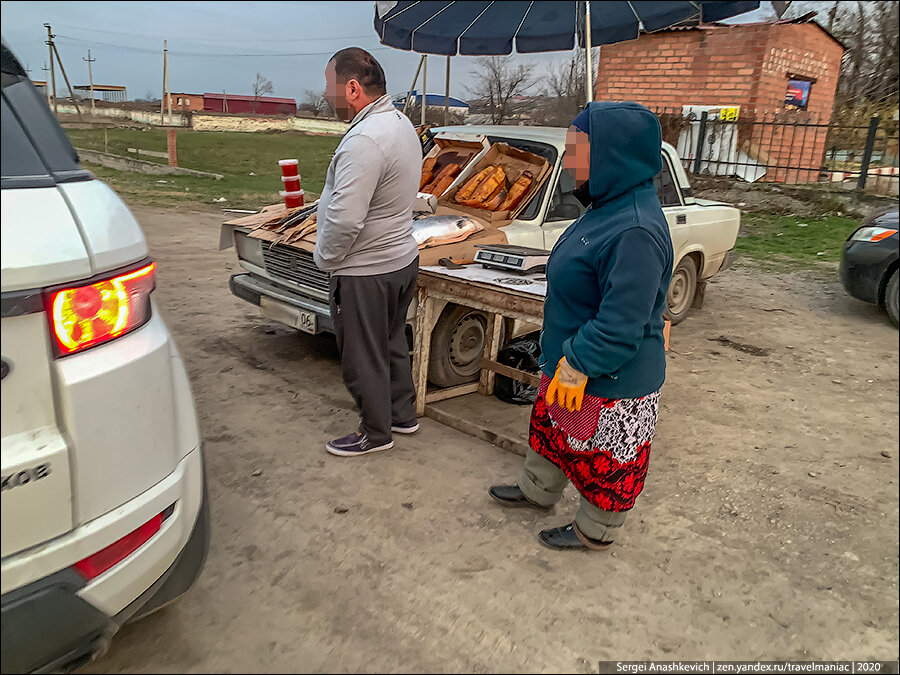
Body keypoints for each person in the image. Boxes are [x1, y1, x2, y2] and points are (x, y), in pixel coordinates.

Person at [489, 101, 674, 550]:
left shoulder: (635, 231)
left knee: (606, 459)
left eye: (577, 149)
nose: (569, 161)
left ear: (614, 155)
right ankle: (537, 491)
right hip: (571, 359)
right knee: (554, 431)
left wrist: (576, 364)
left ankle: (596, 530)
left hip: (608, 377)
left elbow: (621, 323)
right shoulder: (606, 207)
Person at [314, 47, 422, 457]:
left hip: (366, 269)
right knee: (391, 340)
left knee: (362, 353)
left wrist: (326, 258)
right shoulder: (400, 124)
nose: (327, 95)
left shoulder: (364, 140)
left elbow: (345, 219)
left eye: (330, 86)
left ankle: (375, 432)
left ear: (353, 88)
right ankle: (401, 413)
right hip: (399, 259)